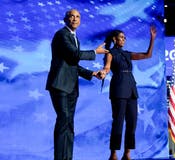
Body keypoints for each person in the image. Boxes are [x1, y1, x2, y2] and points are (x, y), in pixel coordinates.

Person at [45, 9, 108, 160]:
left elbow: (72, 63)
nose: (74, 19)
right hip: (60, 85)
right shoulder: (62, 35)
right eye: (71, 16)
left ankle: (68, 157)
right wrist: (95, 52)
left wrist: (91, 73)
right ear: (65, 19)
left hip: (71, 86)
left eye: (78, 17)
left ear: (80, 21)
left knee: (69, 123)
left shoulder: (75, 38)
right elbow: (75, 55)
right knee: (63, 121)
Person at [99, 25, 157, 160]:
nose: (124, 40)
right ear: (115, 39)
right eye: (121, 37)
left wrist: (152, 39)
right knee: (118, 121)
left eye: (125, 38)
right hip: (118, 88)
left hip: (131, 89)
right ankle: (113, 153)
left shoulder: (127, 54)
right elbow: (107, 67)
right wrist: (103, 72)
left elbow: (147, 55)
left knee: (132, 122)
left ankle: (127, 153)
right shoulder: (110, 53)